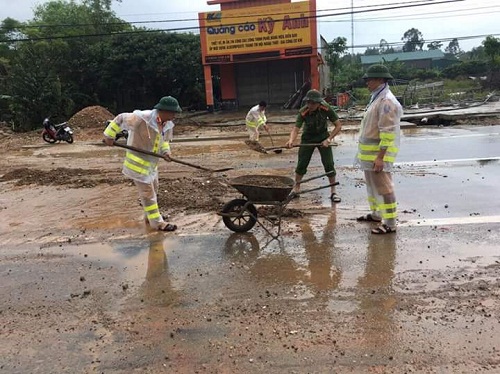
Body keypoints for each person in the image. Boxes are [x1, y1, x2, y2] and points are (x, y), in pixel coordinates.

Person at [103, 96, 182, 232]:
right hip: (137, 165)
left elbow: (164, 141)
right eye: (172, 113)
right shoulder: (143, 118)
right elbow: (120, 118)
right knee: (148, 194)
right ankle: (158, 223)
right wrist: (109, 136)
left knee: (154, 190)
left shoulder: (166, 124)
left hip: (151, 165)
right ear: (163, 111)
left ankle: (149, 217)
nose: (174, 116)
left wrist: (166, 152)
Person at [354, 64, 403, 235]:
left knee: (384, 187)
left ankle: (390, 223)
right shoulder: (377, 97)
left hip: (378, 154)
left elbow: (387, 132)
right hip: (370, 155)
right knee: (372, 186)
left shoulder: (386, 101)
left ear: (381, 80)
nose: (367, 82)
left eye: (370, 79)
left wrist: (380, 157)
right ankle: (376, 214)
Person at [285, 89, 342, 202]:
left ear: (319, 103)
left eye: (313, 103)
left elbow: (338, 125)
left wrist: (329, 139)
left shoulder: (326, 108)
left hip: (323, 138)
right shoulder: (303, 111)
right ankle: (296, 189)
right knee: (302, 164)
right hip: (308, 138)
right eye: (308, 102)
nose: (310, 105)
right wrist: (291, 140)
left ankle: (333, 191)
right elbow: (296, 129)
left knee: (329, 164)